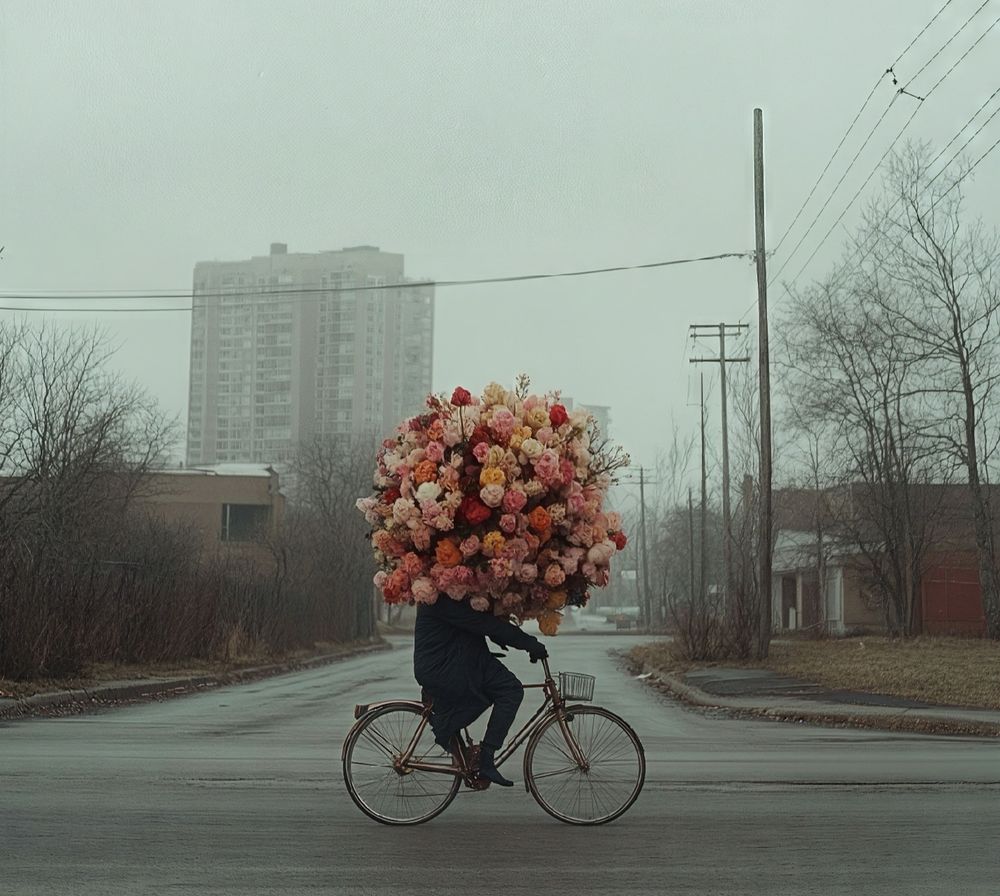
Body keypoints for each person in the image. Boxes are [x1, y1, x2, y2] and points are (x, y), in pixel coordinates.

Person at [413, 596, 549, 787]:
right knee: (510, 690)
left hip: (454, 661)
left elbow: (483, 624)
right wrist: (529, 643)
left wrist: (516, 638)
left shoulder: (443, 597)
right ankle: (485, 758)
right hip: (446, 667)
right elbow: (483, 624)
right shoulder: (441, 600)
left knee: (500, 687)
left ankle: (469, 754)